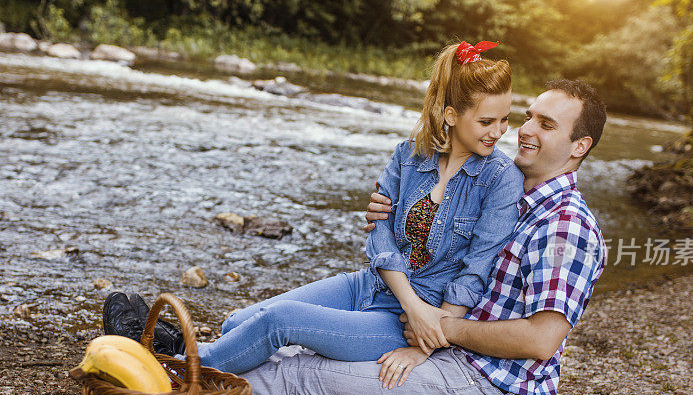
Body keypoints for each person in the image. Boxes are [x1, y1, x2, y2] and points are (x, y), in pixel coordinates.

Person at [104, 40, 523, 376]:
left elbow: (475, 271)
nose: (500, 132)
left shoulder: (501, 179)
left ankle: (172, 369)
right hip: (371, 286)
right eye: (487, 122)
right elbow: (378, 233)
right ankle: (179, 347)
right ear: (450, 115)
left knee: (278, 322)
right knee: (239, 322)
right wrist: (409, 302)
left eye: (504, 120)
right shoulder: (410, 154)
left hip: (409, 321)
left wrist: (426, 341)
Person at [226, 80, 607, 395]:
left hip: (477, 386)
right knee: (247, 330)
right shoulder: (509, 193)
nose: (525, 131)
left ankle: (178, 385)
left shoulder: (566, 227)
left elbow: (541, 340)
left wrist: (437, 333)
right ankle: (187, 364)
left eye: (547, 124)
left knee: (296, 375)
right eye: (528, 118)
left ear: (579, 146)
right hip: (429, 333)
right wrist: (391, 214)